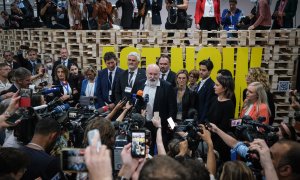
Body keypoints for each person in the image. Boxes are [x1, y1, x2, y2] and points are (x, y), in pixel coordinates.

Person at [137, 64, 177, 154]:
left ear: (159, 74)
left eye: (155, 74)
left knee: (162, 150)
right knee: (141, 151)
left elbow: (173, 109)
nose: (152, 77)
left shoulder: (167, 86)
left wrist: (171, 125)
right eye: (150, 74)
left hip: (160, 125)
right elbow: (136, 102)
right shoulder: (140, 83)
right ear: (146, 74)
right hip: (143, 123)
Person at [207, 75, 235, 162]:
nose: (214, 86)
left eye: (217, 85)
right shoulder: (214, 99)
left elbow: (224, 127)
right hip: (210, 137)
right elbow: (208, 118)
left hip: (220, 142)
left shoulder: (229, 105)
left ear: (225, 88)